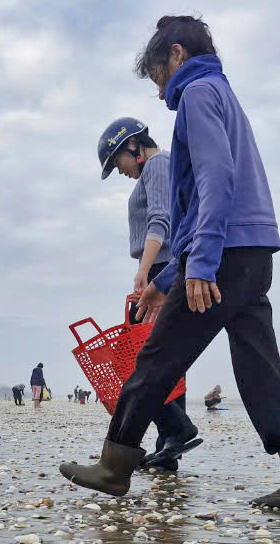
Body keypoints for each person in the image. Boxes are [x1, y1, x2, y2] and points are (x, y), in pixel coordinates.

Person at [60, 15, 280, 509]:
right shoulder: (224, 95)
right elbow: (200, 200)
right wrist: (166, 278)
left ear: (177, 55)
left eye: (159, 75)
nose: (161, 92)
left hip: (222, 255)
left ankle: (115, 466)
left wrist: (200, 266)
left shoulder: (200, 94)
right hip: (252, 252)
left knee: (158, 360)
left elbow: (215, 180)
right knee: (259, 366)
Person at [100, 115, 201, 472]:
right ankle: (168, 449)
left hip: (163, 270)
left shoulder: (158, 164)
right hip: (168, 268)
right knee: (167, 360)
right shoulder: (165, 165)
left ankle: (177, 428)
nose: (120, 171)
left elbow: (161, 220)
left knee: (133, 361)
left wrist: (145, 270)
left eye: (118, 162)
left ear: (133, 145)